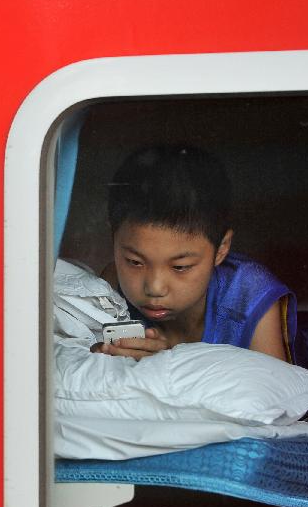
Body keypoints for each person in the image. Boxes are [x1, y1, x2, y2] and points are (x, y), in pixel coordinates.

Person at [94, 145, 295, 362]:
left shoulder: (250, 296)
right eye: (135, 262)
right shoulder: (110, 286)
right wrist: (99, 352)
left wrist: (172, 362)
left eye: (180, 267)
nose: (155, 288)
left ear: (222, 249)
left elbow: (273, 389)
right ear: (113, 238)